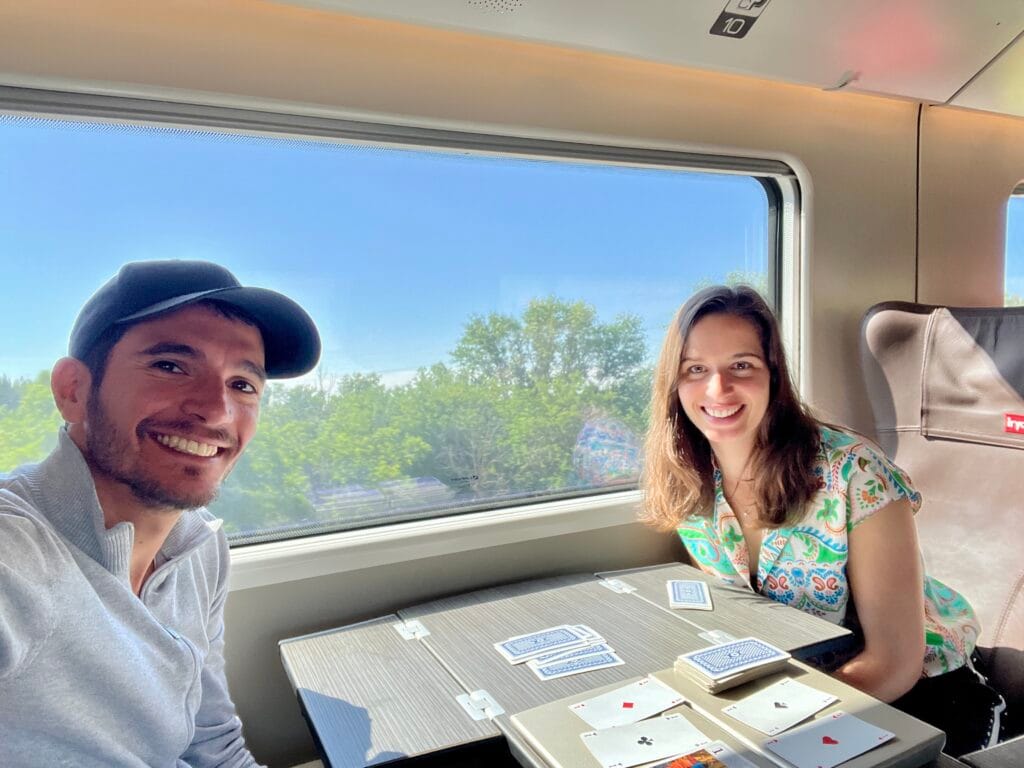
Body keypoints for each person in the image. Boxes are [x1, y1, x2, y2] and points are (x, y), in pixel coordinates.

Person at [641, 285, 1004, 756]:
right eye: (695, 369)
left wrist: (771, 727)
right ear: (674, 382)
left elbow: (894, 662)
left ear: (774, 375)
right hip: (797, 692)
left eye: (742, 365)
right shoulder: (689, 482)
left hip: (924, 695)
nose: (718, 389)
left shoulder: (853, 473)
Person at [0, 260, 321, 767]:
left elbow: (212, 745)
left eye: (242, 384)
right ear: (73, 390)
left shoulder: (201, 547)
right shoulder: (15, 553)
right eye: (170, 366)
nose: (216, 411)